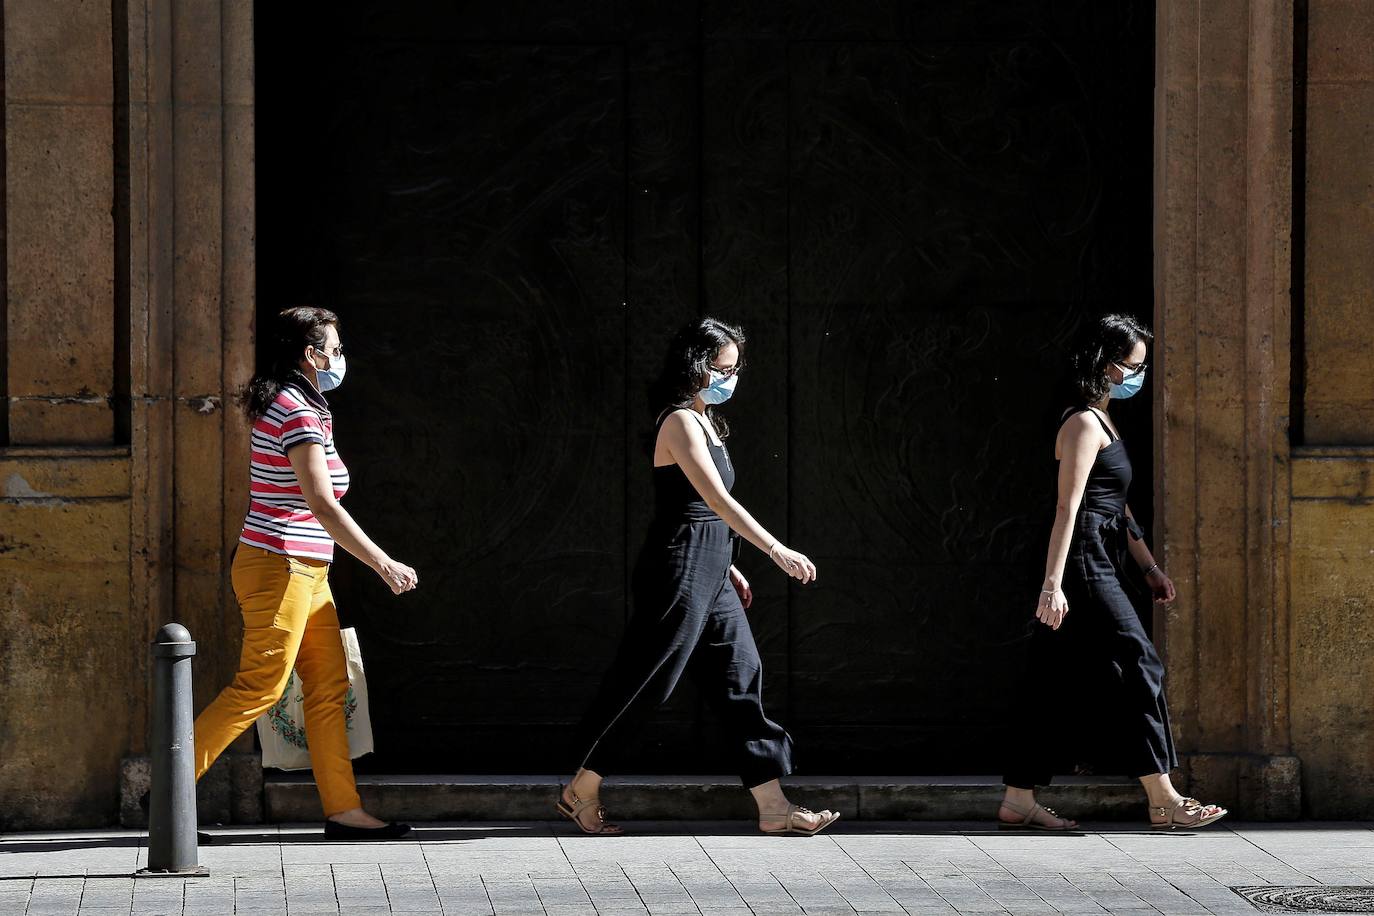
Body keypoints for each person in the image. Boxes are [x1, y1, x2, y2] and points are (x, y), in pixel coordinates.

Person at [559, 318, 839, 836]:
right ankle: (584, 785)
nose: (730, 377)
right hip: (680, 565)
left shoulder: (708, 421)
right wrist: (774, 550)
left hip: (710, 563)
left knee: (741, 672)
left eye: (734, 368)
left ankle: (774, 806)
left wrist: (727, 563)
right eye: (721, 368)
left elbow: (703, 509)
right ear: (694, 365)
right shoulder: (679, 423)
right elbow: (713, 501)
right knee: (655, 677)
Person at [192, 306, 418, 840]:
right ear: (309, 354)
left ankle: (343, 810)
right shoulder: (295, 410)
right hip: (280, 565)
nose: (340, 358)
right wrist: (382, 562)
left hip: (305, 568)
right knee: (259, 687)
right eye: (334, 349)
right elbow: (321, 502)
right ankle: (170, 789)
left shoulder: (305, 406)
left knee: (328, 686)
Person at [999, 313, 1227, 831]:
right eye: (1132, 366)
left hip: (1103, 552)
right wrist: (1053, 585)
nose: (1137, 377)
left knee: (1050, 678)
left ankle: (1017, 797)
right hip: (1081, 559)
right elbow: (1069, 507)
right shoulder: (1081, 422)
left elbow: (1116, 505)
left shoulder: (1104, 419)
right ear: (1104, 364)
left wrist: (1148, 566)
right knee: (1139, 661)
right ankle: (1163, 798)